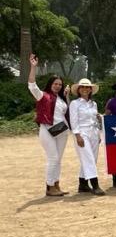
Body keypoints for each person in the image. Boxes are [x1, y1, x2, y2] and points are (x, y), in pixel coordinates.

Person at [27, 54, 70, 196]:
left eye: (59, 84)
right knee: (53, 158)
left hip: (62, 131)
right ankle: (49, 186)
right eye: (55, 84)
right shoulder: (43, 96)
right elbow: (32, 86)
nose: (57, 86)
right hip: (47, 129)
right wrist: (33, 67)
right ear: (50, 84)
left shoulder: (62, 99)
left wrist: (67, 96)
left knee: (58, 159)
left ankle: (56, 185)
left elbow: (67, 113)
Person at [69, 78, 105, 196]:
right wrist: (77, 135)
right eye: (82, 87)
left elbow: (95, 119)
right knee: (88, 157)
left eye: (87, 87)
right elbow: (73, 121)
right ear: (79, 89)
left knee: (92, 159)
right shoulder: (75, 104)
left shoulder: (93, 104)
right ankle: (95, 185)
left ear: (90, 90)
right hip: (82, 132)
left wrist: (99, 133)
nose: (85, 89)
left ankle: (83, 184)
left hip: (93, 132)